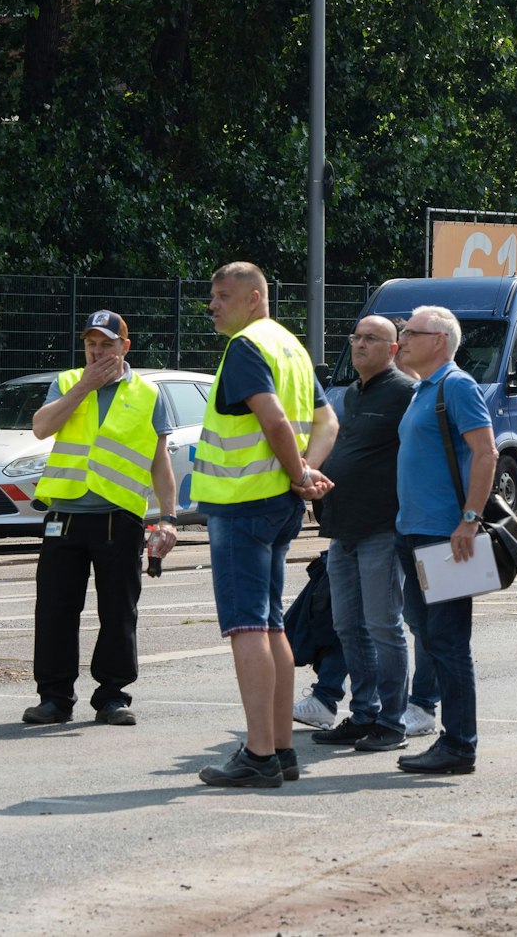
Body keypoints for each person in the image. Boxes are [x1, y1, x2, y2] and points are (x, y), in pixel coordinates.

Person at [193, 262, 338, 788]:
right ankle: (280, 749)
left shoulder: (246, 346)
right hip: (278, 504)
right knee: (271, 624)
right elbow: (328, 420)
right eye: (212, 296)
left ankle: (258, 755)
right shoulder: (290, 346)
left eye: (223, 296)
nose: (213, 305)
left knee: (247, 626)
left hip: (242, 502)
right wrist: (305, 474)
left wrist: (300, 473)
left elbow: (273, 419)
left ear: (254, 298)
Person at [21, 310, 178, 726]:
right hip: (65, 515)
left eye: (106, 345)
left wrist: (168, 518)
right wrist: (84, 387)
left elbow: (159, 460)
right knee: (54, 610)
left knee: (118, 612)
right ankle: (54, 698)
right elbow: (41, 428)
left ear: (124, 347)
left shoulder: (147, 394)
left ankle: (112, 697)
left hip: (118, 518)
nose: (96, 352)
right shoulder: (67, 382)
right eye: (91, 344)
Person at [391, 304, 497, 776]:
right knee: (429, 633)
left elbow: (486, 452)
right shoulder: (423, 389)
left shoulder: (456, 386)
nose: (402, 340)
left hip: (444, 536)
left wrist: (469, 520)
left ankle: (459, 744)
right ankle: (450, 737)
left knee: (449, 642)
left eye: (411, 333)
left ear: (438, 340)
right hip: (413, 531)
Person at [307, 316, 416, 752]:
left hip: (381, 527)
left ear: (393, 349)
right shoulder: (353, 393)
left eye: (371, 338)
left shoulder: (406, 393)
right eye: (356, 337)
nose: (360, 345)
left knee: (383, 625)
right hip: (343, 528)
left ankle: (393, 721)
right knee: (348, 626)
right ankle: (364, 713)